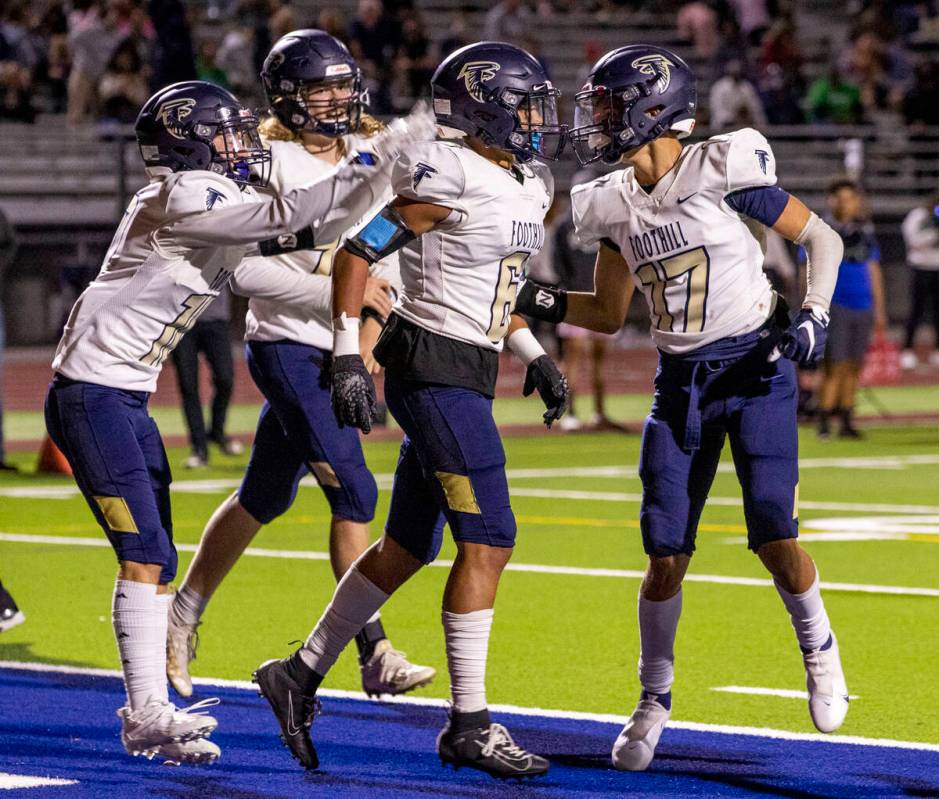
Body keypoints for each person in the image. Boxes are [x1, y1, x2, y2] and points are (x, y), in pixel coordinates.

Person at [44, 79, 431, 766]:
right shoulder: (186, 193)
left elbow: (290, 248)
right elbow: (300, 214)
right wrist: (379, 159)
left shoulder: (210, 199)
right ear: (189, 142)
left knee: (155, 558)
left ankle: (149, 711)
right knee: (143, 556)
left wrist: (375, 193)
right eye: (225, 132)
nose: (240, 144)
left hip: (122, 396)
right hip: (92, 395)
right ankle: (148, 712)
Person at [517, 45, 848, 772]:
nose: (595, 120)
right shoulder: (605, 199)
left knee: (772, 531)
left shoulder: (722, 165)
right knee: (664, 551)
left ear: (650, 107)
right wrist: (525, 297)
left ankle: (818, 646)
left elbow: (821, 236)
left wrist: (815, 315)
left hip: (756, 368)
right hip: (680, 381)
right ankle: (653, 697)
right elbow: (605, 313)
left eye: (606, 105)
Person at [252, 41, 569, 779]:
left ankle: (296, 673)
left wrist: (536, 355)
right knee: (488, 539)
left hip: (471, 366)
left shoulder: (528, 181)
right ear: (485, 108)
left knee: (407, 547)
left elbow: (495, 283)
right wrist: (341, 351)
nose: (534, 119)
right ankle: (469, 722)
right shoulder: (450, 171)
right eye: (523, 104)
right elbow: (359, 252)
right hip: (433, 373)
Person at [167, 29, 435, 701]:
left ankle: (182, 611)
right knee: (355, 491)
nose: (340, 97)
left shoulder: (369, 158)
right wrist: (335, 299)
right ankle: (371, 650)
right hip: (285, 342)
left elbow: (386, 264)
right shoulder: (267, 161)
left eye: (345, 84)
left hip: (338, 346)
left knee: (264, 494)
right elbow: (244, 271)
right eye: (323, 88)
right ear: (288, 97)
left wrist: (361, 344)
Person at [817, 180, 886, 439]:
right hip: (836, 303)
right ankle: (824, 418)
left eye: (852, 199)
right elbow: (807, 268)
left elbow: (874, 268)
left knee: (854, 364)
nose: (849, 204)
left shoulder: (864, 231)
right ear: (832, 201)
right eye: (843, 199)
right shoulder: (823, 230)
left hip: (863, 304)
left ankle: (846, 417)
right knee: (834, 364)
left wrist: (879, 308)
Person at [170, 285, 242, 468]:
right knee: (188, 386)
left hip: (216, 318)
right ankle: (199, 449)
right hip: (181, 319)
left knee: (226, 379)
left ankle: (217, 432)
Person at [900, 195, 939, 369]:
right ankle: (907, 349)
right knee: (916, 310)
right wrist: (933, 235)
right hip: (920, 268)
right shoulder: (918, 216)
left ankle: (937, 350)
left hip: (937, 268)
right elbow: (914, 241)